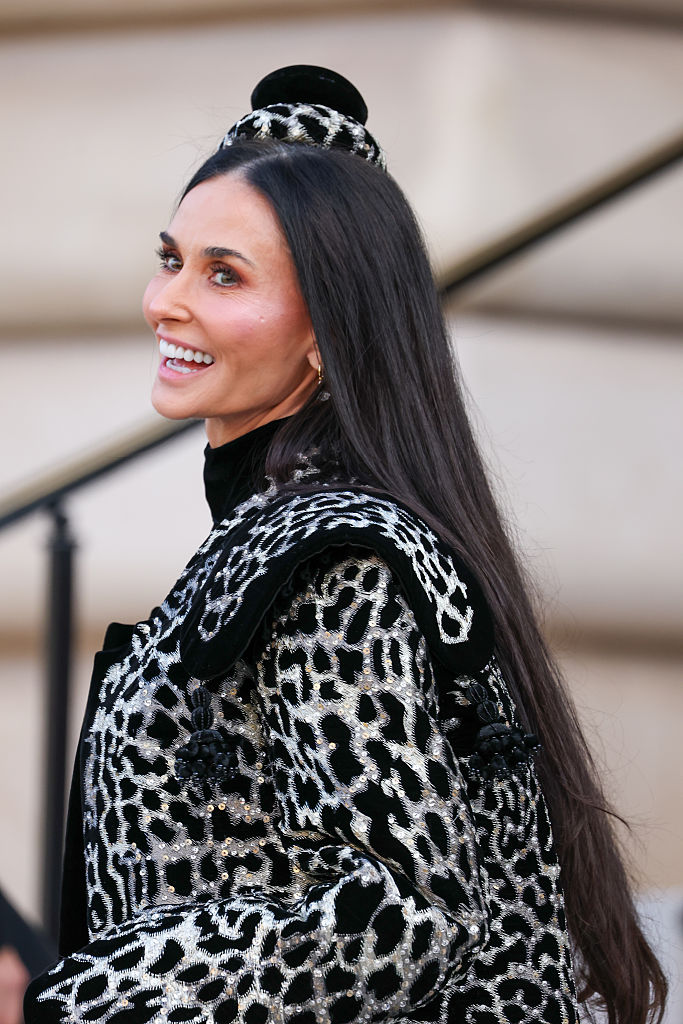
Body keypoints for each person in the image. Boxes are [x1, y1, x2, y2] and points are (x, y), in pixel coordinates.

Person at [24, 65, 666, 1024]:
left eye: (224, 274)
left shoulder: (335, 561)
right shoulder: (286, 539)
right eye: (172, 258)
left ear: (326, 333)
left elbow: (403, 911)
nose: (166, 301)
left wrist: (89, 1005)